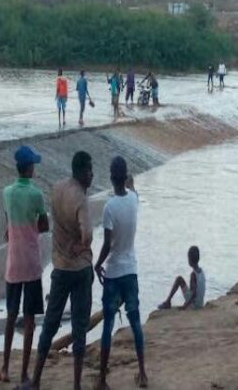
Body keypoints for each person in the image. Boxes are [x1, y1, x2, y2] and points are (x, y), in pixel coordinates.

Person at [28, 151, 94, 390]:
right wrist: (81, 245)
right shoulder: (81, 199)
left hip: (60, 266)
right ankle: (76, 385)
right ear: (81, 172)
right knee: (79, 326)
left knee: (50, 323)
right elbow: (87, 233)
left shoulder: (56, 189)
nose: (92, 175)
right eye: (90, 171)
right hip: (80, 269)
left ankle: (35, 380)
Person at [0, 146, 49, 385]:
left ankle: (5, 367)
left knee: (10, 315)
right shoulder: (37, 195)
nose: (34, 168)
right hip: (32, 263)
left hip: (14, 263)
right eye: (33, 165)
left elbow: (7, 225)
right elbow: (45, 225)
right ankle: (25, 372)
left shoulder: (7, 192)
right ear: (28, 168)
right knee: (29, 320)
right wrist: (34, 224)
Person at [94, 157, 148, 389]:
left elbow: (107, 244)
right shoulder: (134, 199)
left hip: (114, 270)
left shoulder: (109, 208)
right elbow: (134, 190)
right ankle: (143, 373)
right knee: (135, 323)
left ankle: (102, 379)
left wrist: (97, 265)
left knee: (107, 325)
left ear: (111, 177)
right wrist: (131, 181)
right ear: (125, 177)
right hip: (131, 269)